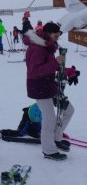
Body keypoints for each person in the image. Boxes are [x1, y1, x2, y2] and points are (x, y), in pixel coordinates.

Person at [24, 22, 74, 161]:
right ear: (47, 34)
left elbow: (52, 66)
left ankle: (57, 138)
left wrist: (70, 72)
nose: (58, 37)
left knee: (69, 110)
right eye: (56, 35)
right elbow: (35, 71)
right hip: (39, 87)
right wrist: (56, 62)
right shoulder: (37, 48)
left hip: (50, 85)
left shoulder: (47, 46)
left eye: (59, 35)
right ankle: (49, 150)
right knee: (49, 119)